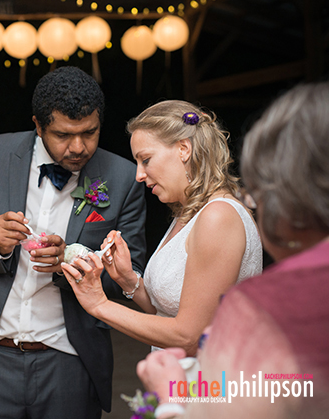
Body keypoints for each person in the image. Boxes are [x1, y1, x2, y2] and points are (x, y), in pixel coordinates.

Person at [0, 66, 147, 418]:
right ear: (38, 125)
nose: (79, 147)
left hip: (70, 360)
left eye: (90, 133)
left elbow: (131, 274)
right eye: (64, 135)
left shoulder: (123, 177)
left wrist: (69, 264)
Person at [136, 82, 329, 418]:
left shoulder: (265, 305)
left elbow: (262, 396)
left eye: (256, 196)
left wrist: (172, 396)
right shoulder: (189, 215)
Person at [62, 100, 262, 355]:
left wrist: (99, 305)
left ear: (183, 149)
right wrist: (127, 279)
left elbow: (189, 336)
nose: (139, 175)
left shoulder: (218, 217)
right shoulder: (188, 215)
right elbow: (168, 313)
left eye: (145, 160)